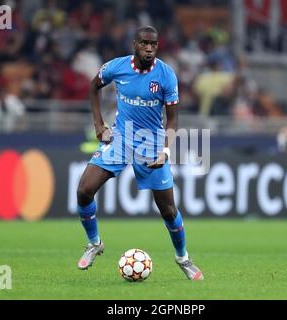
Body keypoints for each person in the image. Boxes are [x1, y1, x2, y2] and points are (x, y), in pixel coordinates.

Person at [76, 26, 203, 281]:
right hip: (121, 138)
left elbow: (173, 120)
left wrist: (166, 151)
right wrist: (99, 125)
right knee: (83, 190)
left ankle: (183, 258)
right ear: (135, 44)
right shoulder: (117, 67)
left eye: (153, 44)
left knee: (168, 210)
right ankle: (94, 243)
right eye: (144, 43)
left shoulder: (166, 75)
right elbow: (93, 87)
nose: (149, 48)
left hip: (152, 144)